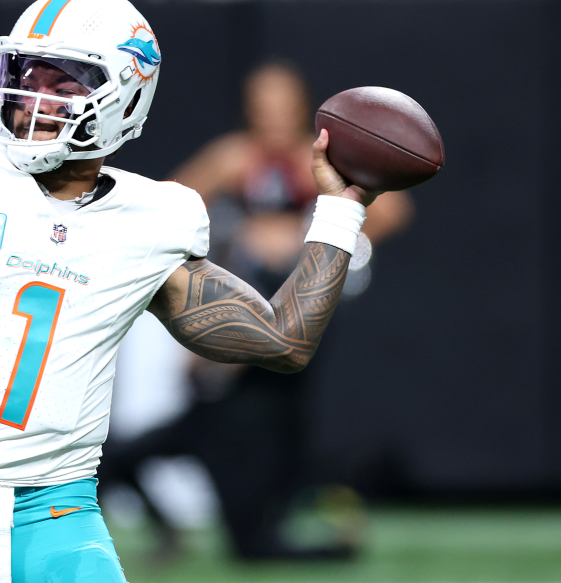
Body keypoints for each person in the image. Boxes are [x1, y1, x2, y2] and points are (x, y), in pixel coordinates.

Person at [0, 0, 381, 583]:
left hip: (54, 513)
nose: (33, 97)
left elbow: (285, 341)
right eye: (26, 75)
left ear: (124, 99)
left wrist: (339, 210)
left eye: (63, 85)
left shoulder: (152, 219)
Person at [100, 62, 413, 560]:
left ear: (302, 109)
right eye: (261, 104)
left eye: (281, 104)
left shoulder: (323, 164)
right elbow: (161, 207)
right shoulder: (235, 157)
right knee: (208, 443)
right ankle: (290, 524)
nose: (271, 116)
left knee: (275, 432)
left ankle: (308, 516)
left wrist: (310, 239)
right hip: (239, 318)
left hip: (294, 316)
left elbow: (391, 211)